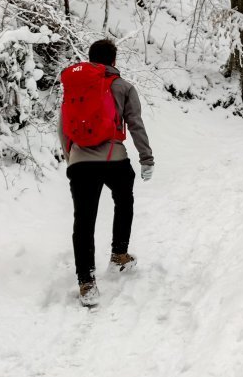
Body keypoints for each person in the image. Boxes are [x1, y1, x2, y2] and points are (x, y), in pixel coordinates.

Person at [59, 39, 154, 306]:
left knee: (84, 219)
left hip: (79, 162)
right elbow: (135, 123)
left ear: (90, 59)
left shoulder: (75, 86)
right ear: (114, 61)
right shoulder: (123, 87)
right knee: (124, 201)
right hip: (114, 159)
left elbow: (63, 126)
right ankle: (119, 255)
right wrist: (146, 158)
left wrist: (73, 158)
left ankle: (86, 283)